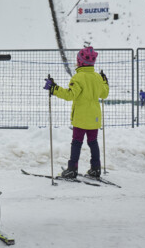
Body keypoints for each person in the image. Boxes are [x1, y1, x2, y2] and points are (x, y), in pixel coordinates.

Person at [44, 46, 109, 179]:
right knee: (93, 142)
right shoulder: (97, 77)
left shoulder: (78, 77)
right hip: (94, 118)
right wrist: (105, 82)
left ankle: (72, 169)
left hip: (80, 118)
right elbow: (104, 94)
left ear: (80, 62)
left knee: (77, 143)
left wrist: (54, 89)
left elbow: (70, 95)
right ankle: (96, 168)